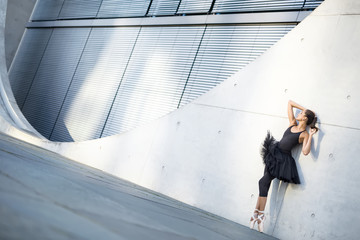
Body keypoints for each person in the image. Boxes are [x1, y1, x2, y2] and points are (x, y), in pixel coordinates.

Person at [249, 100, 318, 233]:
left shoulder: (304, 134)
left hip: (282, 161)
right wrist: (308, 110)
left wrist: (311, 135)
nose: (299, 113)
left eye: (302, 113)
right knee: (265, 184)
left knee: (262, 182)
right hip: (273, 153)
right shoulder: (292, 123)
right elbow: (290, 103)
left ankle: (261, 215)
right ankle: (255, 214)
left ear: (304, 118)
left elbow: (305, 152)